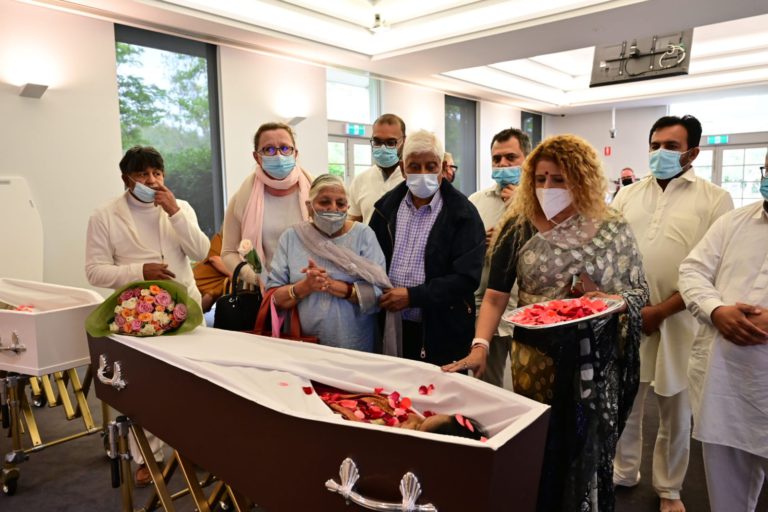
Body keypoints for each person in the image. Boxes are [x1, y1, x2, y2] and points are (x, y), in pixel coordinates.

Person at [445, 134, 649, 512]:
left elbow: (638, 292)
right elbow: (495, 296)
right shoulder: (518, 224)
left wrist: (605, 301)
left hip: (594, 354)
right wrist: (480, 347)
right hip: (536, 355)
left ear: (582, 180)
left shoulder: (612, 227)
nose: (547, 188)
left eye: (559, 179)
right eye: (540, 178)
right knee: (542, 444)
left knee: (586, 445)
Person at [611, 115, 733, 512]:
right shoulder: (628, 195)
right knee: (627, 402)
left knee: (675, 409)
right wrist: (630, 305)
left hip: (682, 318)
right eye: (655, 145)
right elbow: (611, 252)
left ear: (693, 152)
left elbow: (712, 269)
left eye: (671, 147)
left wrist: (661, 310)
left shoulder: (715, 198)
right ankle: (623, 472)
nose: (660, 153)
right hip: (631, 315)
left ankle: (669, 489)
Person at [85, 145, 210, 487]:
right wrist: (140, 270)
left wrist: (175, 213)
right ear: (126, 178)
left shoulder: (179, 207)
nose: (151, 181)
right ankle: (148, 458)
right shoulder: (105, 215)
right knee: (147, 387)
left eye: (156, 173)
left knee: (194, 381)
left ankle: (196, 448)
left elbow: (201, 252)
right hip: (138, 315)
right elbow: (94, 271)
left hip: (186, 311)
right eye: (142, 175)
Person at [678, 155, 768, 512]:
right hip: (726, 388)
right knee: (727, 499)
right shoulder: (735, 223)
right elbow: (692, 271)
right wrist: (716, 310)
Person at [369, 130, 485, 366]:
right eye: (414, 166)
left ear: (442, 167)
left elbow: (466, 278)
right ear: (403, 169)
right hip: (392, 324)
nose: (423, 174)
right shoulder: (384, 210)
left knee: (441, 396)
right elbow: (369, 260)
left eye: (430, 166)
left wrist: (413, 296)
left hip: (442, 327)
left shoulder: (463, 214)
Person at [266, 174, 387, 352]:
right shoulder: (292, 237)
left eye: (340, 203)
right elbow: (273, 297)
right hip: (304, 345)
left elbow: (379, 293)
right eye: (324, 202)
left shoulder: (363, 235)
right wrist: (305, 286)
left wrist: (333, 286)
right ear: (309, 207)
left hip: (355, 344)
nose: (333, 208)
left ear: (348, 207)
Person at [467, 127, 531, 387]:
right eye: (497, 159)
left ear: (527, 158)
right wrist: (479, 244)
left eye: (511, 158)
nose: (503, 164)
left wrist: (522, 204)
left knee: (528, 388)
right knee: (486, 385)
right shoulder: (476, 202)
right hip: (487, 309)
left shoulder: (541, 202)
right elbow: (461, 254)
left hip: (526, 309)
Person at [221, 122, 313, 288]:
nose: (278, 155)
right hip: (264, 292)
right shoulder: (242, 198)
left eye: (285, 148)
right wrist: (257, 277)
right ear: (257, 157)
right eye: (269, 149)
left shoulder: (316, 192)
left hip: (311, 287)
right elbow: (228, 253)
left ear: (295, 153)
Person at [348, 114, 406, 224]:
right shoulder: (360, 180)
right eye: (377, 142)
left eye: (390, 142)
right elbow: (354, 224)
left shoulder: (412, 180)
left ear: (404, 140)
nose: (383, 148)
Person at [193, 231, 232, 313]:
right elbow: (214, 259)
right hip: (199, 281)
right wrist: (234, 275)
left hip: (215, 288)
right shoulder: (220, 238)